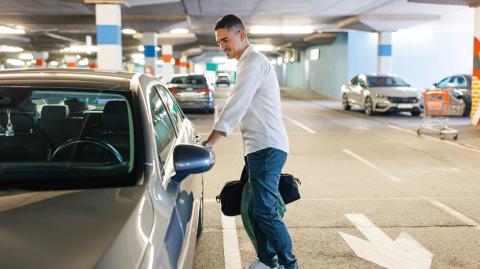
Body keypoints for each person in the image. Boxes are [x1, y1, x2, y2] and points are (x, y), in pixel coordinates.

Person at [203, 14, 298, 269]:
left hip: (267, 147)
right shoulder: (247, 63)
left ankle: (288, 264)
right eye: (218, 42)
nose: (222, 46)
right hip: (258, 148)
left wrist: (210, 142)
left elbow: (236, 104)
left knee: (265, 210)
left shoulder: (253, 63)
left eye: (225, 39)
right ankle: (268, 261)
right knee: (255, 207)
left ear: (241, 34)